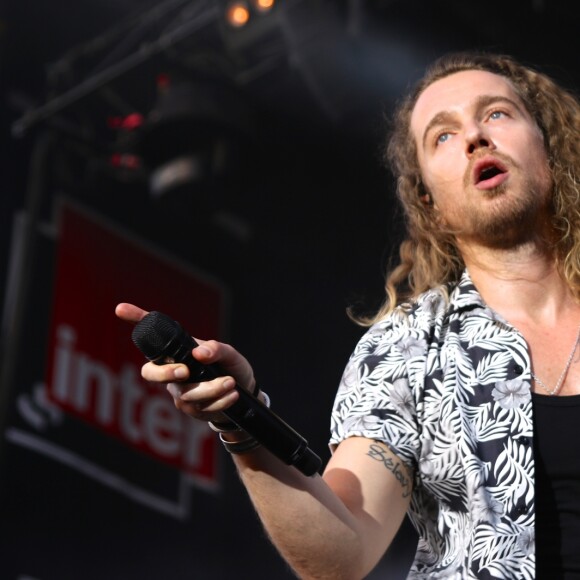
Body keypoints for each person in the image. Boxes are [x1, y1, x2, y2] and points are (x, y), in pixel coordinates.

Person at [116, 51, 580, 578]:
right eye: (442, 136)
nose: (475, 136)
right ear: (428, 201)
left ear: (547, 144)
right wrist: (242, 424)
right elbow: (340, 552)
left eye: (496, 113)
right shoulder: (406, 347)